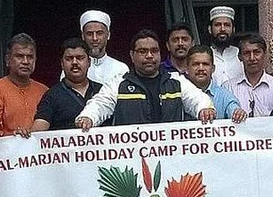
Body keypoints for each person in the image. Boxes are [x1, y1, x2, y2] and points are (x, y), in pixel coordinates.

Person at [75, 30, 215, 129]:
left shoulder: (175, 81)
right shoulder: (119, 83)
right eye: (142, 51)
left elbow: (197, 99)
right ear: (132, 55)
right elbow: (100, 104)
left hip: (171, 160)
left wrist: (205, 108)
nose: (149, 56)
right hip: (131, 160)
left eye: (154, 51)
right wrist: (88, 117)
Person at [31, 38, 102, 133]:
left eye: (80, 58)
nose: (75, 62)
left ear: (89, 62)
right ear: (62, 64)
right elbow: (40, 126)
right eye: (69, 59)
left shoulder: (102, 91)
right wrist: (26, 135)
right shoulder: (52, 95)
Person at [0, 34, 48, 138]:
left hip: (40, 152)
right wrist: (16, 138)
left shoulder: (44, 91)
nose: (25, 62)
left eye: (30, 57)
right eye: (19, 56)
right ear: (7, 60)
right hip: (7, 152)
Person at [228, 33, 273, 117]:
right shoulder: (228, 88)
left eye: (257, 52)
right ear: (240, 56)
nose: (252, 58)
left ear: (265, 54)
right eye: (247, 53)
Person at [184, 45, 246, 122]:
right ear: (186, 68)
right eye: (196, 64)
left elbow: (234, 110)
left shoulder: (224, 95)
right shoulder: (177, 93)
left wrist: (238, 114)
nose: (201, 68)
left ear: (213, 68)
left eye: (205, 64)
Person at [79, 9, 129, 84]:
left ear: (108, 35)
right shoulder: (75, 68)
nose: (94, 38)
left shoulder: (121, 68)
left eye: (99, 33)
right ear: (83, 36)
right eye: (89, 34)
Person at [207, 6, 244, 87]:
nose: (222, 29)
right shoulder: (204, 55)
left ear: (233, 29)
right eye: (217, 25)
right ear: (210, 29)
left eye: (227, 25)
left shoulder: (242, 55)